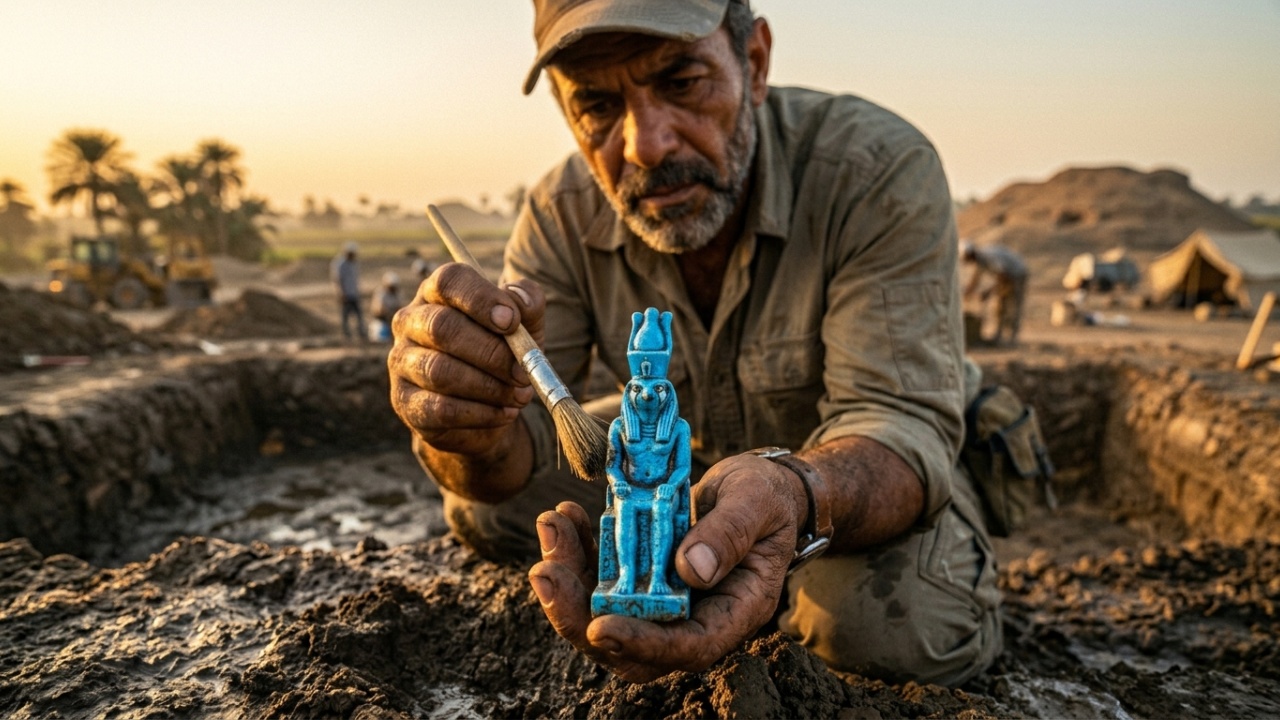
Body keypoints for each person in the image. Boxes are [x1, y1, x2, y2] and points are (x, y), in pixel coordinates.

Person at [388, 0, 1000, 688]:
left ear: (755, 63)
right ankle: (716, 566)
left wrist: (792, 495)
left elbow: (898, 421)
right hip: (684, 481)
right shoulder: (560, 211)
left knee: (883, 631)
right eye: (595, 103)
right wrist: (464, 413)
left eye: (681, 83)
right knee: (482, 501)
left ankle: (778, 574)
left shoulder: (875, 171)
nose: (646, 145)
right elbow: (518, 438)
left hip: (841, 478)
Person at [961, 239, 1028, 344]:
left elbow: (1003, 275)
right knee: (1000, 307)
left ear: (971, 254)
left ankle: (1012, 338)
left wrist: (989, 292)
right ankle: (998, 335)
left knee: (1012, 305)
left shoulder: (988, 257)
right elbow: (975, 280)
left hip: (1017, 274)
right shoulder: (980, 260)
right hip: (1006, 276)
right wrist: (967, 293)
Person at [331, 241, 364, 341]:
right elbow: (337, 280)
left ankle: (361, 333)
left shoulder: (353, 263)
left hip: (354, 293)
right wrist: (341, 293)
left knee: (359, 315)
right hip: (345, 294)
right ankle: (346, 335)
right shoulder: (340, 264)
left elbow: (355, 279)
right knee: (345, 316)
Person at [369, 271, 406, 342]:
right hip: (383, 320)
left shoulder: (397, 294)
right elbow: (378, 309)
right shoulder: (381, 294)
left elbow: (400, 307)